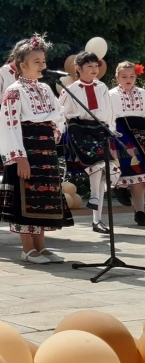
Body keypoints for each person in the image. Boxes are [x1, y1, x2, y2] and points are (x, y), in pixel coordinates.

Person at [0, 34, 72, 264]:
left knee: (42, 197)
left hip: (45, 148)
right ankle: (27, 249)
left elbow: (58, 116)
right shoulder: (13, 91)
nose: (42, 65)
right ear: (22, 65)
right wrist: (19, 158)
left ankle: (41, 246)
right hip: (26, 149)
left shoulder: (47, 89)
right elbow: (9, 125)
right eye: (36, 61)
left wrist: (53, 134)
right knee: (25, 197)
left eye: (43, 61)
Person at [59, 51, 118, 234]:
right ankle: (94, 203)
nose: (94, 70)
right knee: (98, 164)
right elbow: (62, 112)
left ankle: (97, 219)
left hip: (99, 129)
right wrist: (60, 132)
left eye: (95, 66)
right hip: (80, 129)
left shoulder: (101, 87)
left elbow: (109, 110)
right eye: (89, 66)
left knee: (103, 172)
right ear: (78, 68)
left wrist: (111, 129)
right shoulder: (71, 89)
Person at [109, 61, 145, 226]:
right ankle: (139, 211)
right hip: (122, 134)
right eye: (124, 76)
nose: (128, 79)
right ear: (117, 77)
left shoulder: (143, 94)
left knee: (141, 177)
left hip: (141, 134)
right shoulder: (111, 95)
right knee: (136, 174)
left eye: (132, 76)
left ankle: (139, 211)